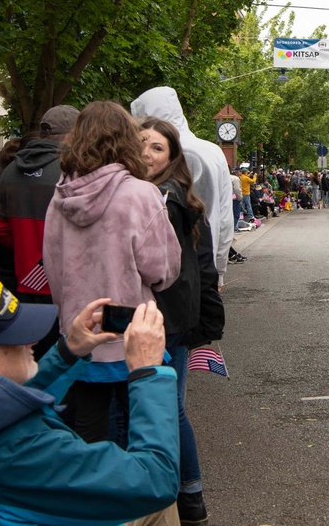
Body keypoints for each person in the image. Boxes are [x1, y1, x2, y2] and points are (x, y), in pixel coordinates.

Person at [0, 278, 180, 526]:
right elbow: (156, 479)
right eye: (16, 335)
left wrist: (69, 351)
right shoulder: (25, 448)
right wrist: (147, 372)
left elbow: (6, 403)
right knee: (160, 506)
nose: (31, 341)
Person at [43, 101, 181, 444]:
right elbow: (162, 270)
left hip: (80, 325)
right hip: (130, 323)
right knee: (144, 420)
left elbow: (52, 264)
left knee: (89, 424)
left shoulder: (61, 197)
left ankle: (94, 492)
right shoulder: (140, 194)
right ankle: (150, 492)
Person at [139, 117, 224, 525]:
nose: (147, 154)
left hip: (163, 321)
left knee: (167, 410)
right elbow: (206, 267)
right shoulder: (183, 198)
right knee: (172, 409)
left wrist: (204, 321)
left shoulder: (161, 200)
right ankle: (189, 498)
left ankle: (187, 499)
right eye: (141, 144)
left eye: (157, 147)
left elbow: (186, 270)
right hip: (176, 319)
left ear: (172, 157)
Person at [0, 105, 81, 359]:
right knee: (63, 363)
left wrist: (26, 248)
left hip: (23, 284)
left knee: (30, 359)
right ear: (73, 134)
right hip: (64, 285)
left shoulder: (10, 170)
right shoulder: (75, 170)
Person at [131, 88, 234, 290]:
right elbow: (224, 217)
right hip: (205, 264)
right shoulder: (213, 151)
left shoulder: (140, 154)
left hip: (156, 273)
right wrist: (219, 269)